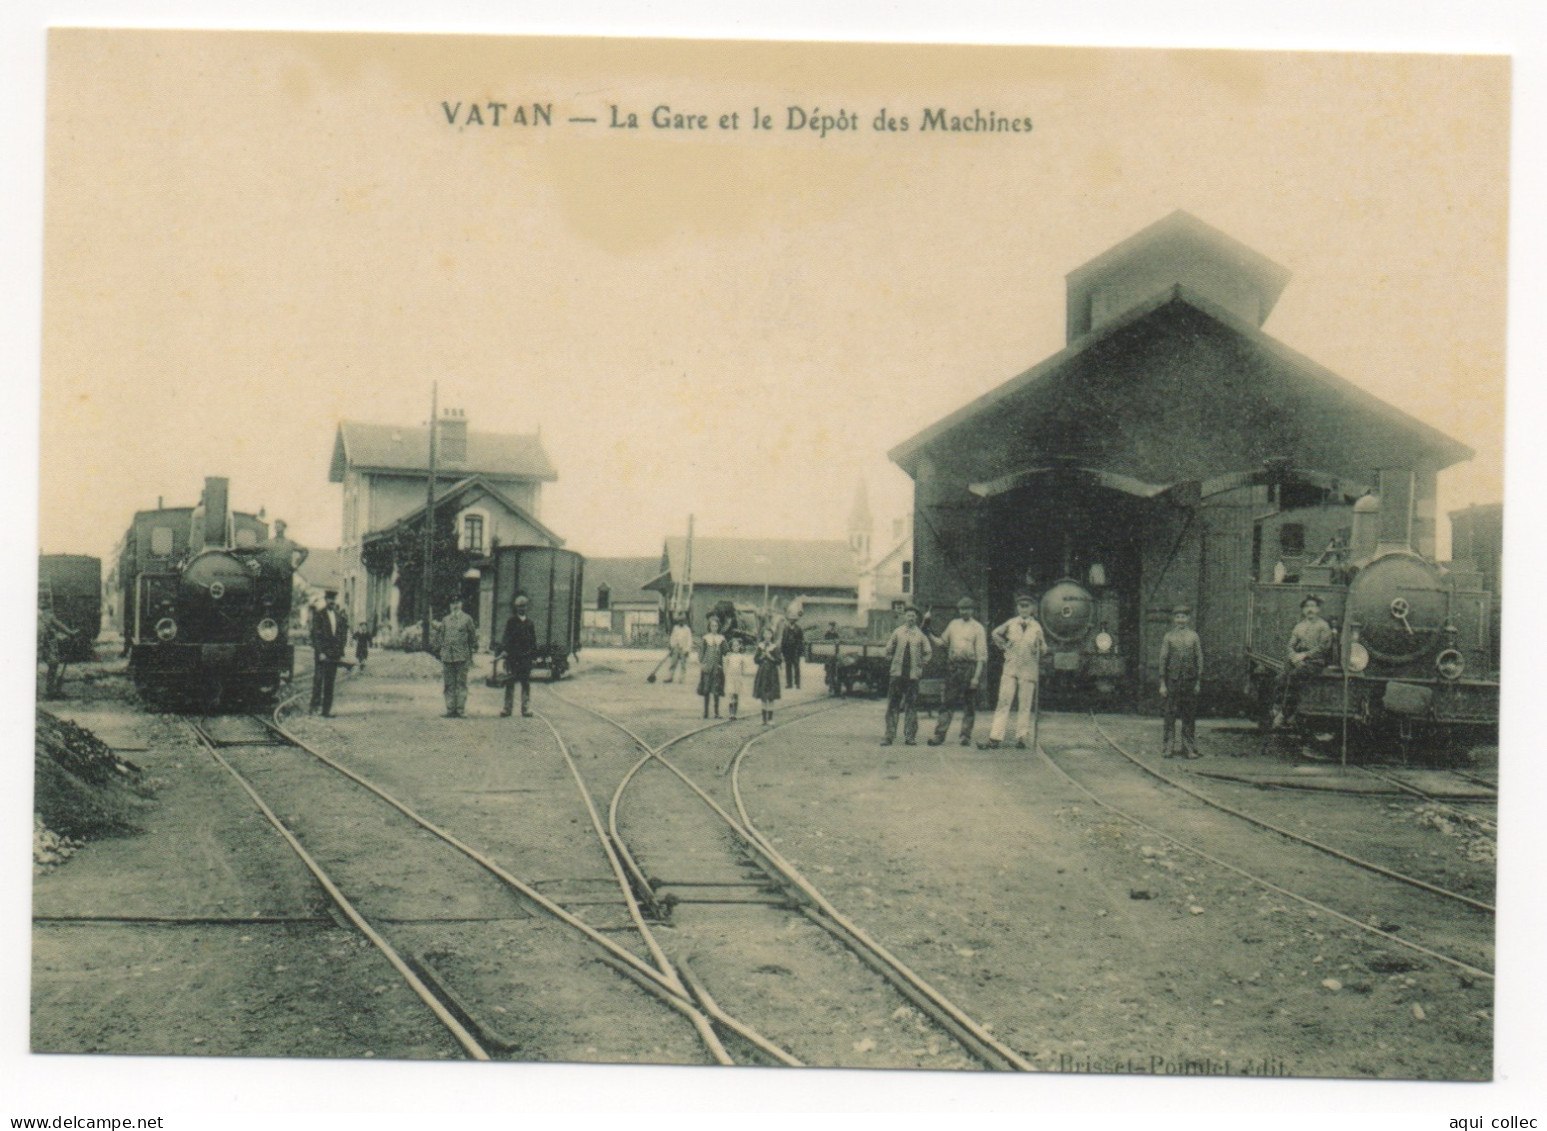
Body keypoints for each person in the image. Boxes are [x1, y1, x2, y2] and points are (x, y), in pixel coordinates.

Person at [982, 594, 1045, 750]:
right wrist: (1004, 646)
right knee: (1003, 702)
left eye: (1027, 606)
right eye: (1021, 606)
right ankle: (995, 737)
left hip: (1028, 670)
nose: (1024, 609)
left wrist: (1039, 647)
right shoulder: (1011, 623)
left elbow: (1044, 648)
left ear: (1032, 609)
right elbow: (995, 633)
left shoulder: (1036, 627)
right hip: (1011, 668)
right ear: (1017, 608)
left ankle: (1022, 738)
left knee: (1025, 705)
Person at [926, 596, 988, 747]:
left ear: (972, 610)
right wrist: (929, 633)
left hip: (969, 668)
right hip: (953, 668)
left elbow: (981, 657)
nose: (964, 611)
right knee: (947, 702)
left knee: (969, 704)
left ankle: (965, 736)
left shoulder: (978, 628)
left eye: (967, 608)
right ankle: (939, 735)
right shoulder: (953, 625)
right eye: (961, 608)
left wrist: (976, 677)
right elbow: (942, 642)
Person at [1274, 594, 1335, 728]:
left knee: (1295, 676)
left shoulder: (1323, 626)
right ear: (1303, 610)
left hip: (1315, 661)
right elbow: (1290, 645)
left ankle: (1286, 714)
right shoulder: (1299, 626)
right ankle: (1278, 707)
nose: (1310, 609)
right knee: (1282, 676)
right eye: (1307, 606)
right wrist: (1294, 656)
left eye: (1313, 606)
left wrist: (1305, 656)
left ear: (1318, 609)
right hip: (1298, 659)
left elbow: (1323, 647)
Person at [882, 606, 933, 747]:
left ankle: (910, 737)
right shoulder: (898, 632)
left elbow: (928, 652)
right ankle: (889, 736)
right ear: (905, 617)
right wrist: (890, 658)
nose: (911, 618)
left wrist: (922, 664)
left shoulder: (920, 635)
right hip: (897, 675)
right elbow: (888, 648)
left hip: (912, 677)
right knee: (893, 705)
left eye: (913, 616)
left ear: (917, 619)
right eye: (909, 615)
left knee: (911, 706)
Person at [1158, 605, 1204, 758]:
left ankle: (1188, 747)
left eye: (1183, 617)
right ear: (1174, 619)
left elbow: (1199, 659)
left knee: (1189, 716)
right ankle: (1168, 746)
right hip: (1173, 681)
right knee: (1169, 714)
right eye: (1177, 617)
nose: (1180, 620)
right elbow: (1163, 660)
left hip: (1189, 681)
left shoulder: (1194, 637)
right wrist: (1163, 683)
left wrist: (1197, 682)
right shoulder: (1168, 637)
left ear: (1188, 619)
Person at [435, 596, 480, 718]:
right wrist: (441, 650)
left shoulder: (467, 619)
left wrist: (471, 652)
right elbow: (441, 636)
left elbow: (472, 637)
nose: (455, 605)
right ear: (449, 605)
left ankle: (460, 710)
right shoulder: (445, 620)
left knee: (461, 683)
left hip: (462, 656)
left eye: (457, 603)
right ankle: (450, 709)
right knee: (449, 684)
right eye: (452, 603)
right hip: (447, 656)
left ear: (461, 604)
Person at [309, 588, 348, 717]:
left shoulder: (338, 615)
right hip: (322, 654)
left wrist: (341, 650)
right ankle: (314, 708)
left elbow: (342, 634)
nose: (331, 601)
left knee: (330, 682)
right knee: (318, 681)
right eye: (329, 599)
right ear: (326, 600)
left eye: (333, 599)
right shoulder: (319, 615)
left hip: (333, 654)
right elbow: (315, 635)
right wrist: (320, 652)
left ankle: (326, 711)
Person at [498, 594, 538, 717]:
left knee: (525, 683)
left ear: (527, 607)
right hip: (513, 658)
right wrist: (505, 651)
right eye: (519, 606)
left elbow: (533, 641)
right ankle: (507, 708)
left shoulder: (530, 623)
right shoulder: (511, 622)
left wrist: (534, 657)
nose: (522, 608)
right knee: (510, 683)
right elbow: (506, 638)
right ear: (516, 608)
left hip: (525, 658)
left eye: (524, 606)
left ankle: (525, 709)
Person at [37, 597, 76, 699]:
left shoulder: (45, 616)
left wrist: (69, 633)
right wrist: (70, 633)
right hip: (38, 644)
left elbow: (57, 625)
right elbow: (58, 625)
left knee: (53, 663)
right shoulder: (45, 616)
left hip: (43, 644)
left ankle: (49, 690)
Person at [697, 614, 727, 719]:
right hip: (707, 667)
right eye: (712, 626)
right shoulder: (706, 638)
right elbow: (701, 653)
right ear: (709, 627)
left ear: (718, 627)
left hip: (717, 668)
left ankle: (716, 712)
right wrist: (702, 663)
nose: (714, 628)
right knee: (706, 690)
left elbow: (726, 652)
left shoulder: (721, 639)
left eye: (716, 626)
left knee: (716, 690)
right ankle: (705, 712)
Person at [752, 626, 782, 724]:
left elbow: (779, 660)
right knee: (763, 696)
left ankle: (770, 718)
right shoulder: (760, 646)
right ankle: (764, 719)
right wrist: (761, 656)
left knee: (771, 696)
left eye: (769, 634)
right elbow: (755, 660)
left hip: (772, 673)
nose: (767, 636)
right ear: (763, 635)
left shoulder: (774, 647)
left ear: (772, 635)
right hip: (762, 672)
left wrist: (770, 657)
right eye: (765, 634)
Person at [722, 634, 751, 720]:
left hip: (738, 678)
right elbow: (726, 667)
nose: (735, 647)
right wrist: (726, 675)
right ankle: (731, 714)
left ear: (740, 646)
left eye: (737, 645)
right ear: (731, 647)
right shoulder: (729, 656)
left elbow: (743, 667)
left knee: (736, 695)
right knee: (731, 695)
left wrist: (742, 675)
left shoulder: (741, 657)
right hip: (730, 677)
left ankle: (735, 713)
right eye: (734, 646)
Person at [663, 611, 693, 684]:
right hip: (676, 648)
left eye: (682, 620)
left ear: (685, 621)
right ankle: (670, 677)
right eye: (679, 620)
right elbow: (672, 638)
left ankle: (682, 679)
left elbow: (689, 640)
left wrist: (687, 650)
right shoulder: (675, 628)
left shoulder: (687, 629)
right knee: (673, 663)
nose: (681, 622)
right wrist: (672, 646)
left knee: (683, 665)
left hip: (684, 648)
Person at [782, 610, 805, 690]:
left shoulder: (798, 628)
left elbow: (801, 640)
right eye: (790, 619)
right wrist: (783, 650)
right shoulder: (785, 628)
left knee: (796, 667)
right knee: (788, 667)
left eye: (793, 619)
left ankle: (797, 683)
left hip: (795, 650)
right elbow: (783, 639)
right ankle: (789, 683)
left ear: (795, 620)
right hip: (787, 650)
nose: (791, 621)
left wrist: (800, 651)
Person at [822, 621, 842, 695]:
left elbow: (838, 643)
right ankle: (830, 686)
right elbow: (825, 644)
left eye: (833, 626)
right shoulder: (827, 634)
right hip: (828, 655)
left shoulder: (836, 634)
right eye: (831, 625)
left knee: (834, 672)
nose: (832, 627)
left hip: (834, 656)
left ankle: (833, 687)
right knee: (829, 672)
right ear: (829, 626)